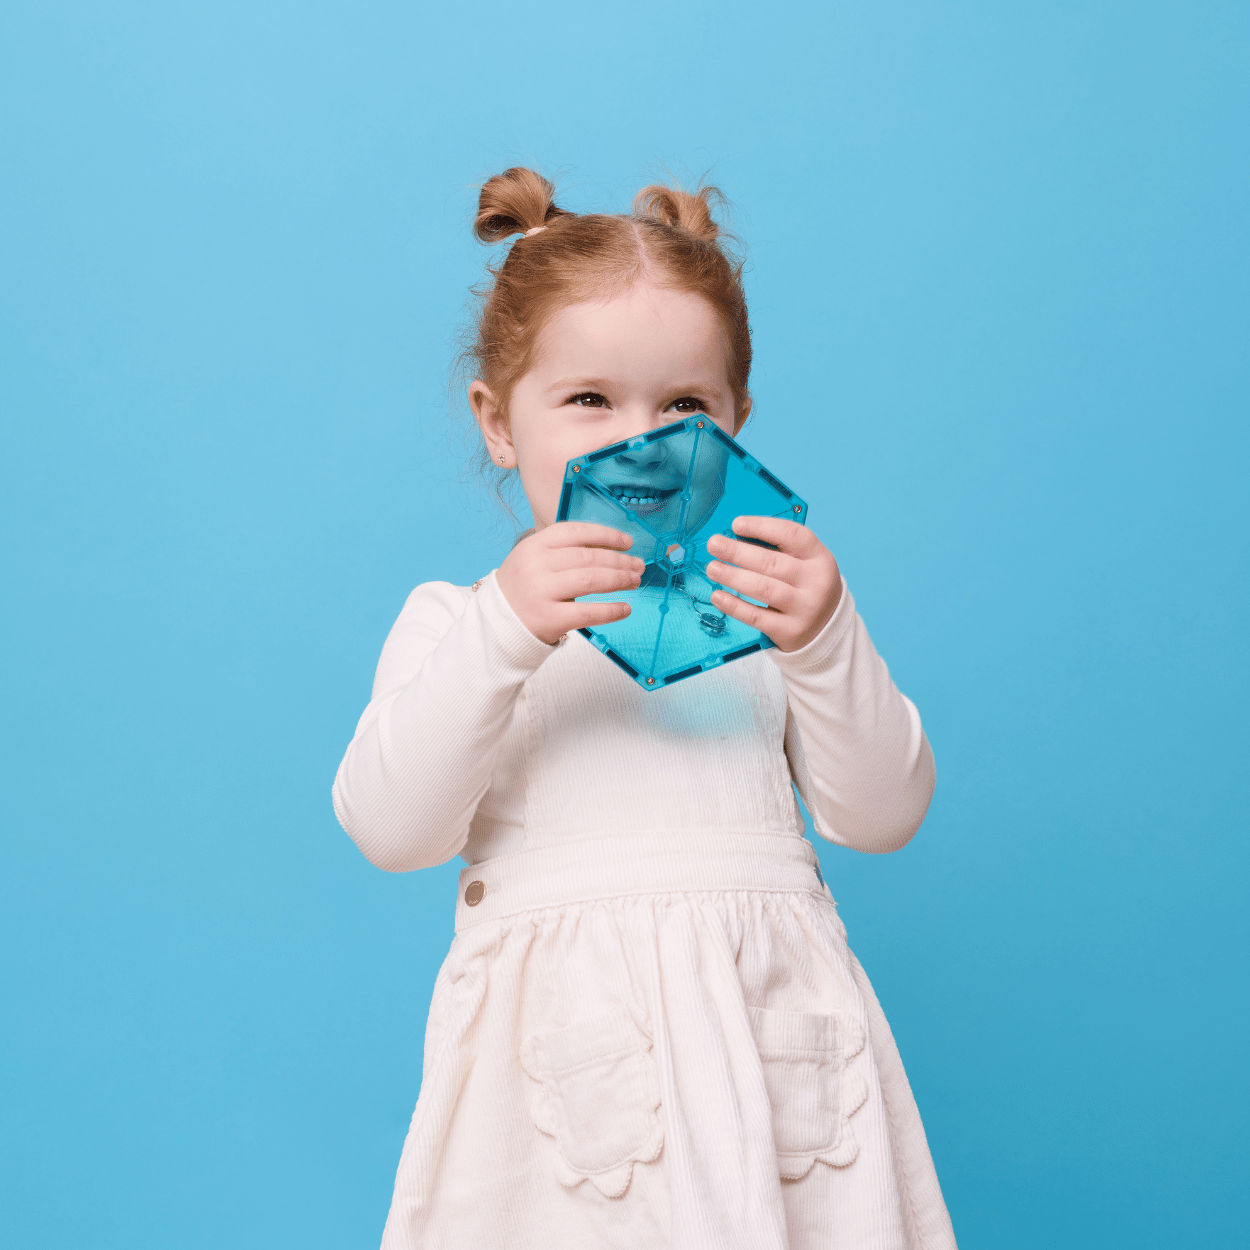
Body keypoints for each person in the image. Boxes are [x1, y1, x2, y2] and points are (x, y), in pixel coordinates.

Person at [332, 167, 958, 1250]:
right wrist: (508, 628)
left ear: (736, 424)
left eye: (683, 406)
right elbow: (391, 827)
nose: (639, 442)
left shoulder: (764, 619)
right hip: (559, 1103)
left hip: (773, 1079)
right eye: (587, 400)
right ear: (496, 420)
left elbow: (882, 811)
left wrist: (824, 634)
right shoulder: (453, 622)